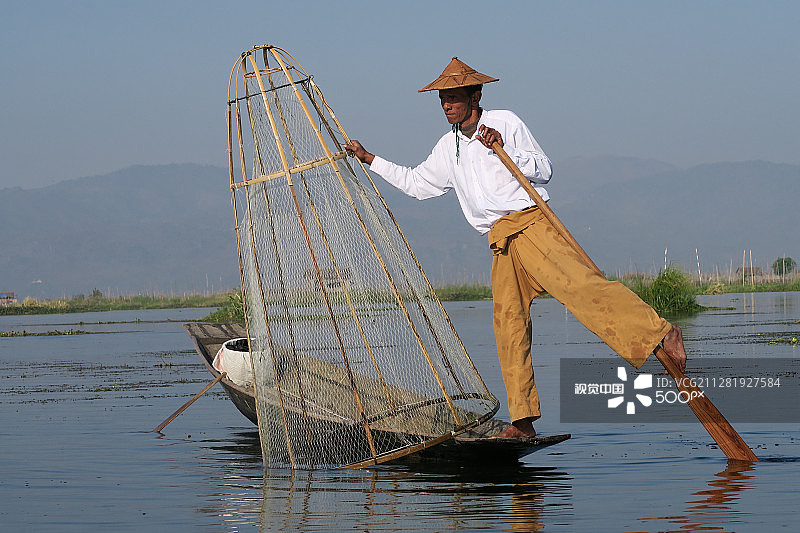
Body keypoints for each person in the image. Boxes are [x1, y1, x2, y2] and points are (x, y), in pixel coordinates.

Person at [345, 57, 687, 438]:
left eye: (454, 97)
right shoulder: (448, 146)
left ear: (475, 96)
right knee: (508, 325)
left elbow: (544, 169)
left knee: (582, 289)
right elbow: (417, 185)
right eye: (443, 99)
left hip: (533, 226)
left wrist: (503, 147)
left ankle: (661, 332)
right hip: (500, 240)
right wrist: (369, 159)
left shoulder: (505, 122)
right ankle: (522, 422)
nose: (447, 105)